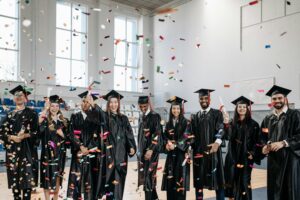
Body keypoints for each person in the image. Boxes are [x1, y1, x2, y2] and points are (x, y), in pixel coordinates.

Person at [261, 85, 300, 200]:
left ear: (285, 99)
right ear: (271, 101)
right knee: (274, 190)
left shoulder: (295, 115)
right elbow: (263, 136)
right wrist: (264, 146)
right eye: (274, 98)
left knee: (289, 190)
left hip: (290, 160)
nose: (277, 101)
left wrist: (283, 143)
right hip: (273, 160)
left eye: (279, 98)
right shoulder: (268, 118)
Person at [0, 85, 39, 200]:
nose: (18, 97)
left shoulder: (32, 114)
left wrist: (25, 135)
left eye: (21, 95)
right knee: (15, 181)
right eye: (16, 95)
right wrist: (12, 137)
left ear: (26, 98)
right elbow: (1, 133)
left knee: (27, 181)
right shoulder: (9, 115)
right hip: (13, 152)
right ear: (13, 99)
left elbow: (37, 133)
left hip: (27, 152)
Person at [97, 90, 136, 200]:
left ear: (118, 103)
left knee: (119, 184)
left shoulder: (124, 118)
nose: (114, 105)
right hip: (108, 157)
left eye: (116, 102)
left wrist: (132, 147)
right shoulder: (104, 117)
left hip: (121, 156)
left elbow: (129, 135)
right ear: (108, 103)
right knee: (108, 184)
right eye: (111, 102)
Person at [67, 91, 106, 200]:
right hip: (79, 154)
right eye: (83, 101)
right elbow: (71, 133)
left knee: (91, 182)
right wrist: (81, 147)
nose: (85, 104)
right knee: (76, 181)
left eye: (87, 102)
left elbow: (104, 121)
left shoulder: (96, 117)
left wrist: (88, 149)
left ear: (91, 104)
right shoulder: (75, 116)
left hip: (92, 154)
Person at [223, 96, 261, 200]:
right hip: (232, 157)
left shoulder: (254, 124)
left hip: (246, 157)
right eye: (240, 106)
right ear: (236, 108)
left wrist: (252, 153)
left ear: (247, 109)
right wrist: (226, 124)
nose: (242, 109)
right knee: (232, 180)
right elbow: (227, 137)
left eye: (244, 107)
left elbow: (257, 142)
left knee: (245, 182)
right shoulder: (231, 123)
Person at [190, 89, 225, 200]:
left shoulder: (217, 113)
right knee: (199, 182)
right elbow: (191, 135)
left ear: (209, 99)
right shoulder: (195, 116)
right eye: (201, 98)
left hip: (213, 152)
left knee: (217, 181)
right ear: (198, 100)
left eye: (206, 98)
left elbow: (221, 128)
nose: (204, 100)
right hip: (199, 154)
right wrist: (188, 148)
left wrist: (217, 142)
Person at [38, 95, 69, 200]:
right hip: (47, 154)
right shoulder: (45, 120)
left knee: (57, 180)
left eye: (56, 106)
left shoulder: (64, 122)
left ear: (59, 107)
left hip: (60, 154)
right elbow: (37, 128)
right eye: (52, 106)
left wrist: (63, 135)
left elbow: (69, 139)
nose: (54, 108)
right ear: (49, 107)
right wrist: (44, 109)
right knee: (46, 180)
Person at [161, 96, 191, 200]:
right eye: (174, 108)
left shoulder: (186, 122)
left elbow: (187, 136)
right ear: (171, 109)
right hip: (171, 157)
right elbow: (164, 136)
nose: (176, 110)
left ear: (181, 109)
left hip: (181, 156)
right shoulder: (168, 123)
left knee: (180, 182)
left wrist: (175, 144)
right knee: (170, 182)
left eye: (178, 108)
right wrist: (167, 143)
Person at [137, 96, 162, 200]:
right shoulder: (141, 117)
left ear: (148, 104)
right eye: (141, 106)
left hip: (152, 153)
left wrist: (151, 148)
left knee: (149, 177)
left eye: (145, 106)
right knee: (146, 177)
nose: (143, 108)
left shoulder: (155, 116)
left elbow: (158, 133)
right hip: (142, 152)